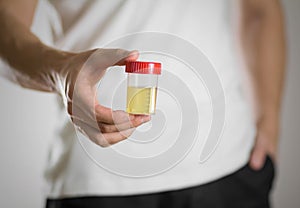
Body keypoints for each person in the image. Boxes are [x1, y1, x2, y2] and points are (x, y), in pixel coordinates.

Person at [0, 0, 285, 207]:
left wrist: (269, 121)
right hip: (94, 178)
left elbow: (261, 10)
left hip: (228, 163)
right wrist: (61, 73)